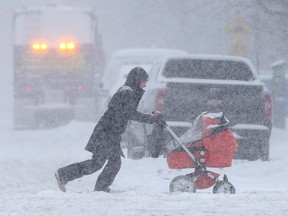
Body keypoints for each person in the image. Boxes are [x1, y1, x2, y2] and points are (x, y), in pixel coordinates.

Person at [54, 66, 166, 192]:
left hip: (108, 132)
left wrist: (151, 116)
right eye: (144, 81)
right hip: (107, 133)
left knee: (100, 163)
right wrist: (152, 119)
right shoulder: (127, 93)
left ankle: (67, 176)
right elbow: (129, 114)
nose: (145, 85)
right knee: (107, 163)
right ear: (137, 80)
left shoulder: (128, 92)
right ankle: (75, 178)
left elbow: (128, 112)